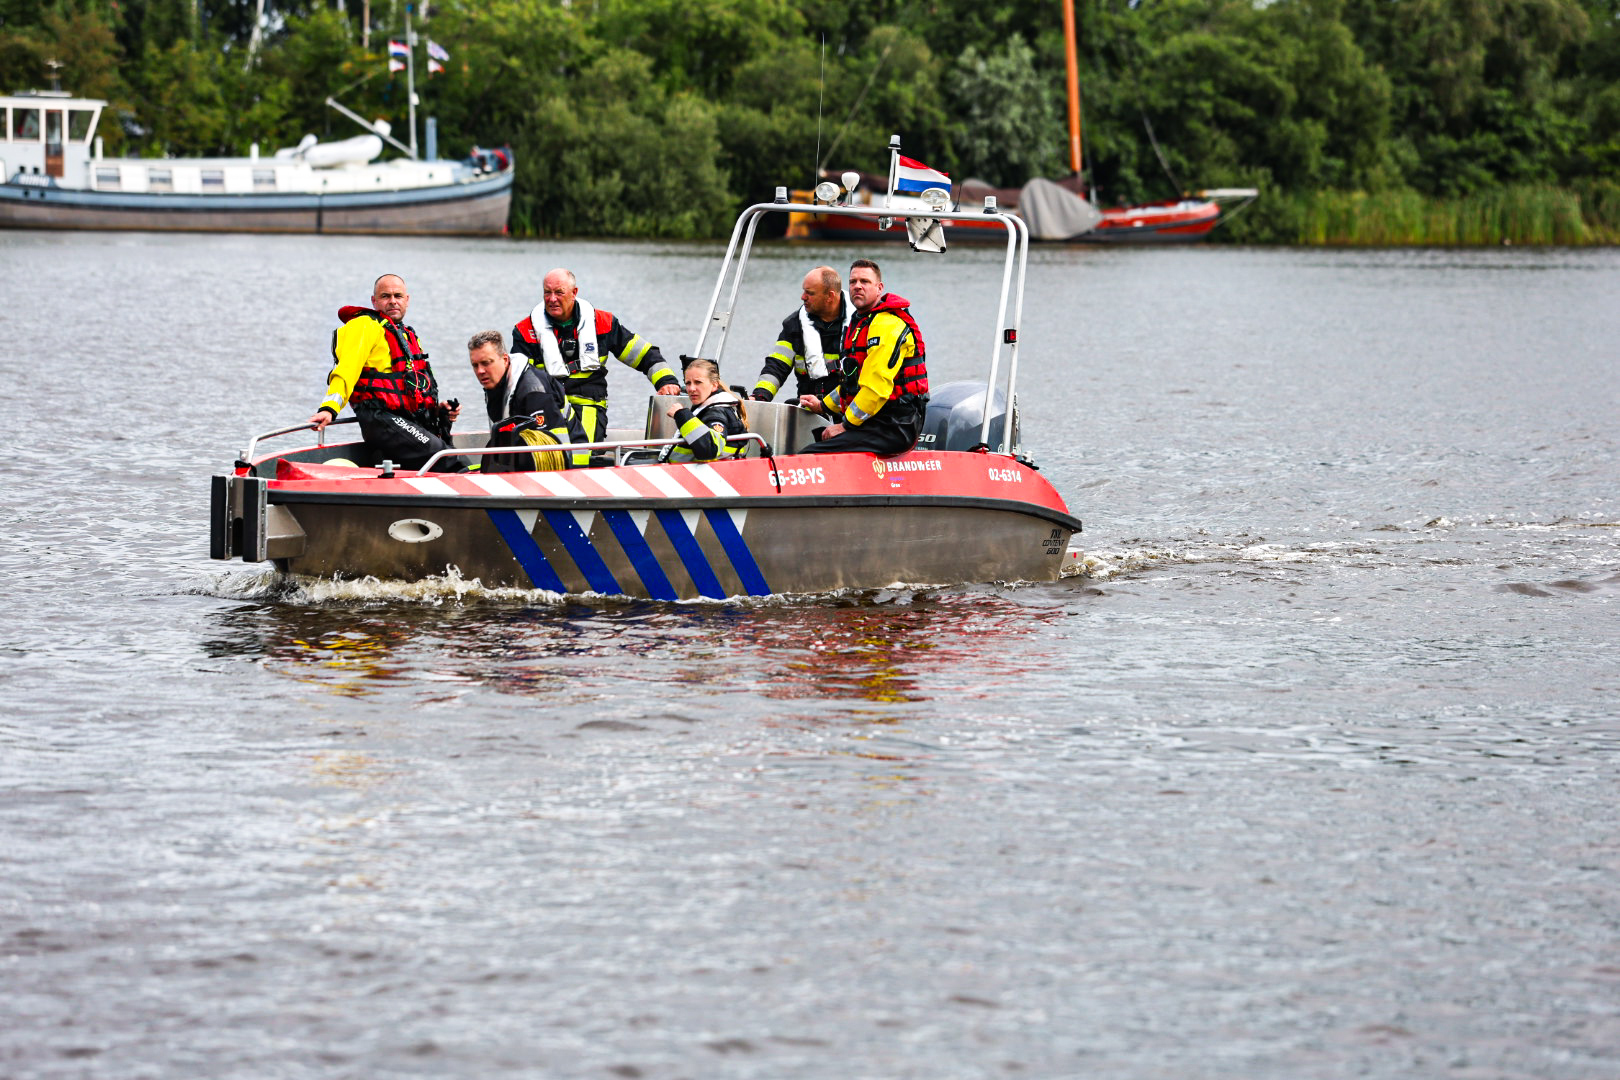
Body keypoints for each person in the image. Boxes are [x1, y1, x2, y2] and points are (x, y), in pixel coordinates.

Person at [510, 268, 680, 453]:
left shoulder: (603, 322)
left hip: (588, 404)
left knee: (583, 452)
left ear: (574, 293)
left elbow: (644, 354)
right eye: (547, 292)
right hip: (546, 407)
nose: (552, 299)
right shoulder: (525, 330)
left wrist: (666, 381)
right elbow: (517, 379)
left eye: (559, 292)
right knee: (546, 453)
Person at [308, 273, 464, 471]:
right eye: (385, 296)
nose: (392, 301)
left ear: (407, 300)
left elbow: (415, 387)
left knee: (447, 448)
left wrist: (438, 409)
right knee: (442, 455)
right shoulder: (363, 326)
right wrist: (329, 409)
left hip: (406, 422)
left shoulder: (407, 335)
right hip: (380, 417)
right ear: (374, 301)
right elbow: (345, 370)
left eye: (398, 296)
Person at [797, 258, 929, 456]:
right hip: (873, 420)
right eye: (853, 282)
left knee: (811, 455)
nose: (857, 286)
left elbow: (875, 388)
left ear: (879, 287)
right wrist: (822, 405)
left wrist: (845, 425)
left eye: (865, 282)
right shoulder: (860, 322)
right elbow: (853, 382)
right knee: (807, 430)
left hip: (896, 425)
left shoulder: (886, 325)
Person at [467, 330, 579, 472]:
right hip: (523, 461)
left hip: (570, 464)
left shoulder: (534, 391)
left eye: (486, 363)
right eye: (475, 365)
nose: (480, 371)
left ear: (505, 360)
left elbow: (549, 448)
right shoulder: (496, 385)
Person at [750, 265, 850, 403]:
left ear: (830, 296)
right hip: (807, 410)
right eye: (804, 291)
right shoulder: (794, 324)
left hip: (847, 411)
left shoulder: (859, 323)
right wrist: (759, 397)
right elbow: (777, 365)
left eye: (810, 293)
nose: (803, 297)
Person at [660, 359, 749, 464]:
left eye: (698, 382)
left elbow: (710, 449)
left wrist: (681, 415)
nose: (691, 388)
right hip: (683, 473)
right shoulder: (706, 407)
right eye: (688, 383)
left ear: (714, 385)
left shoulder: (717, 412)